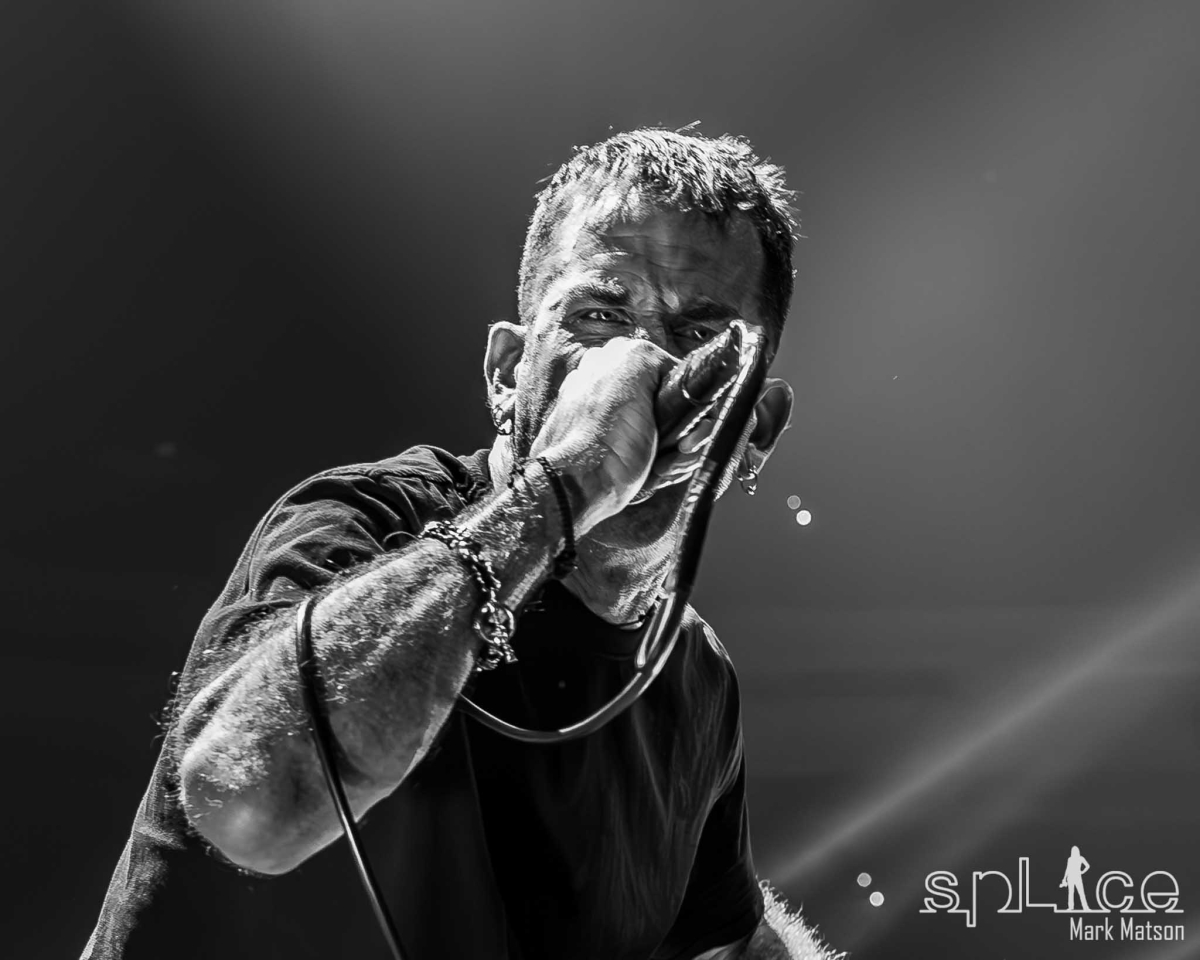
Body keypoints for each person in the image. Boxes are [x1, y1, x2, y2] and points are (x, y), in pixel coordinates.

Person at [82, 128, 835, 960]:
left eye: (701, 340)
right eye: (599, 317)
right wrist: (568, 482)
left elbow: (726, 940)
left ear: (757, 429)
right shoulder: (365, 523)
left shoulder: (692, 675)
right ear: (507, 372)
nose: (643, 369)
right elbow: (255, 809)